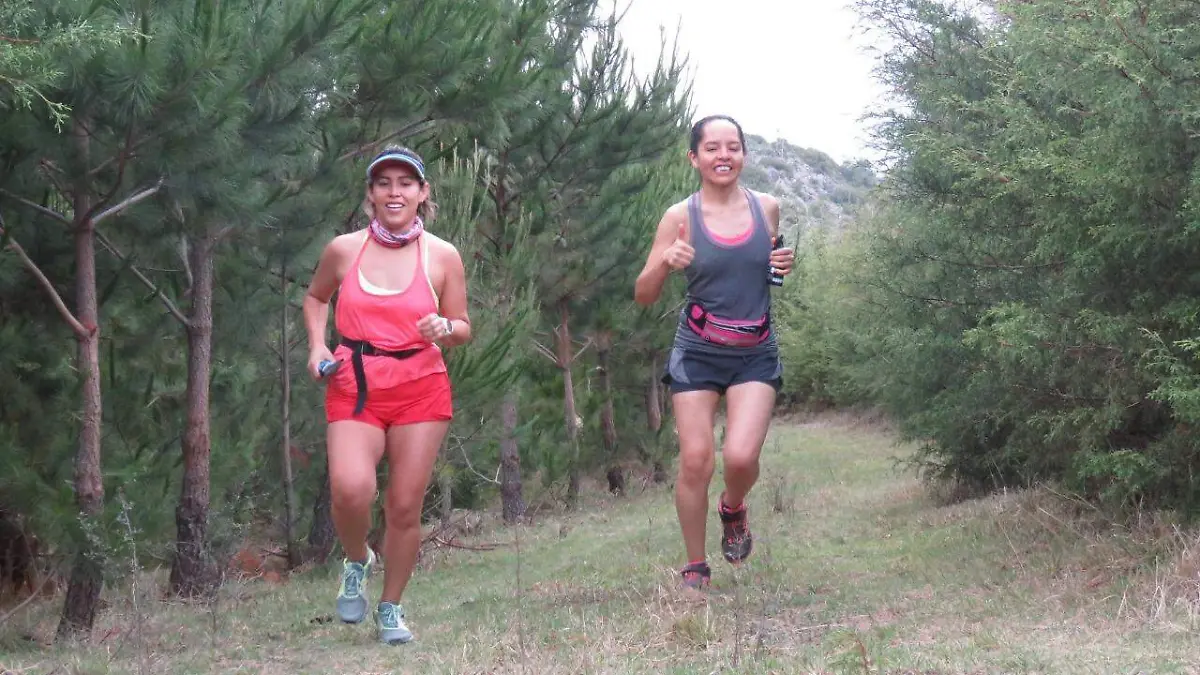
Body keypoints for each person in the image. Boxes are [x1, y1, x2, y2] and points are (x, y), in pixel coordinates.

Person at [303, 145, 472, 644]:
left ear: (422, 193)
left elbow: (463, 326)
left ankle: (391, 607)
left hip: (420, 386)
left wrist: (444, 327)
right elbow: (315, 298)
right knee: (350, 488)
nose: (394, 192)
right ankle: (358, 559)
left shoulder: (442, 255)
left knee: (403, 506)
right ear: (371, 194)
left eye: (405, 183)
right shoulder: (344, 249)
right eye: (384, 183)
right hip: (355, 382)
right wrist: (316, 347)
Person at [634, 115, 794, 590]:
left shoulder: (767, 208)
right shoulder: (679, 217)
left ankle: (733, 507)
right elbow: (643, 294)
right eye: (712, 148)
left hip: (754, 350)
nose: (723, 155)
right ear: (694, 158)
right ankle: (695, 565)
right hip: (698, 350)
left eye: (733, 147)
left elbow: (766, 272)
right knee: (696, 459)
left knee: (740, 458)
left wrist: (779, 265)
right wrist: (665, 263)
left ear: (744, 154)